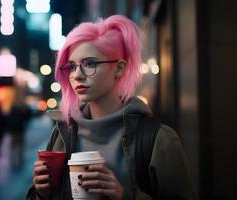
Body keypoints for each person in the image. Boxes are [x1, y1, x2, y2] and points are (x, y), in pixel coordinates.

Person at [28, 15, 196, 200]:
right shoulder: (62, 134)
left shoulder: (158, 139)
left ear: (119, 68)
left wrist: (124, 195)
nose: (77, 75)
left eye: (89, 63)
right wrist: (43, 194)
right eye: (71, 66)